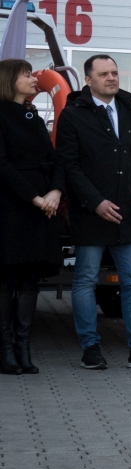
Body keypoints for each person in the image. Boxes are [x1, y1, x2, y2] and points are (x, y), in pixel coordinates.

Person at [57, 54, 131, 370]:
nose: (111, 78)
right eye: (104, 74)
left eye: (115, 72)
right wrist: (95, 201)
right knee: (85, 280)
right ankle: (90, 348)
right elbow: (69, 165)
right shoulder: (73, 115)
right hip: (90, 213)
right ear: (88, 80)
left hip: (129, 213)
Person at [0, 59, 63, 375]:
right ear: (10, 79)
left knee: (30, 278)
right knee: (6, 277)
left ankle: (23, 348)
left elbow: (54, 159)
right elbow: (2, 165)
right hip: (12, 206)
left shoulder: (34, 117)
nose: (34, 78)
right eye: (27, 74)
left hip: (42, 206)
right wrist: (35, 197)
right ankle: (5, 350)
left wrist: (55, 192)